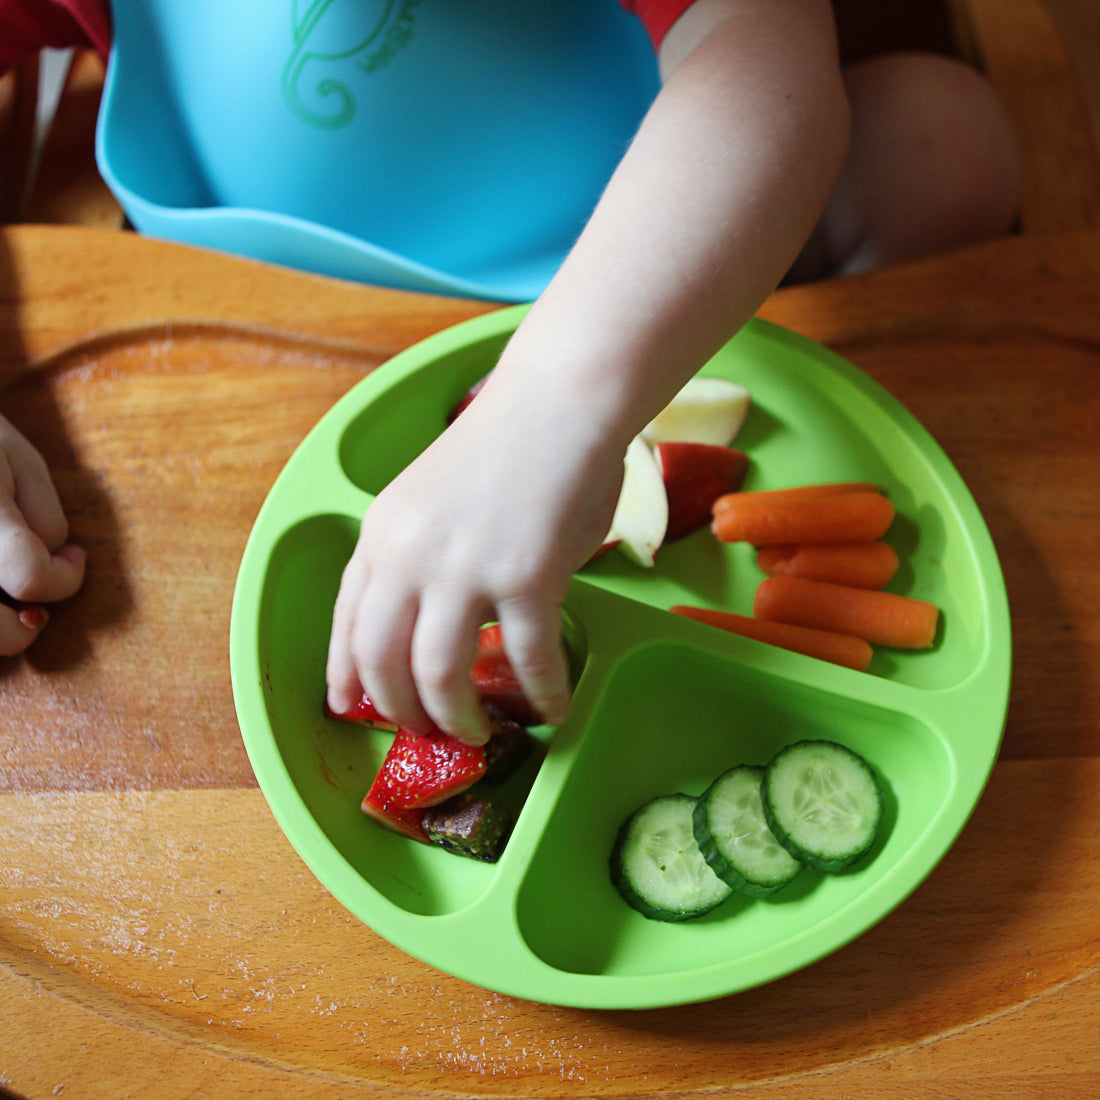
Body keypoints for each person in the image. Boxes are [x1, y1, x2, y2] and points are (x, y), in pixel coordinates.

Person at [1, 1, 1019, 736]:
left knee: (943, 140)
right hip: (288, 342)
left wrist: (552, 402)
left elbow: (763, 48)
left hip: (656, 264)